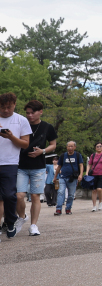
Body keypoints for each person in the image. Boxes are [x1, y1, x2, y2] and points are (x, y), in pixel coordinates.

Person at [16, 100, 57, 236]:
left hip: (38, 166)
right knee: (19, 196)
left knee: (35, 196)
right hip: (21, 165)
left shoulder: (47, 127)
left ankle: (33, 226)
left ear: (40, 112)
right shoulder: (21, 125)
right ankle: (22, 217)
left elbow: (53, 144)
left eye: (32, 113)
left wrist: (43, 151)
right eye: (27, 113)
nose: (29, 115)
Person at [0, 92, 32, 241]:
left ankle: (10, 221)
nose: (6, 110)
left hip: (9, 162)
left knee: (9, 195)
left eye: (9, 107)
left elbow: (25, 144)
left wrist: (11, 137)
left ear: (14, 105)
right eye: (2, 107)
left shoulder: (21, 120)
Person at [54, 141, 83, 216]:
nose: (70, 148)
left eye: (72, 146)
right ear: (66, 147)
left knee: (71, 195)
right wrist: (55, 177)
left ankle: (68, 208)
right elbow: (59, 166)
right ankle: (58, 209)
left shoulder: (77, 155)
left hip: (73, 178)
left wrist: (81, 174)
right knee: (60, 192)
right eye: (69, 146)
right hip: (63, 177)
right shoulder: (63, 155)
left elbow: (81, 165)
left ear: (75, 147)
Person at [87, 142, 102, 212]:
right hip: (93, 174)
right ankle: (94, 206)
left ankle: (100, 202)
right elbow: (89, 164)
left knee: (99, 189)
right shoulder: (93, 155)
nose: (99, 148)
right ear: (95, 148)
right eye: (97, 146)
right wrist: (87, 173)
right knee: (94, 190)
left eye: (100, 146)